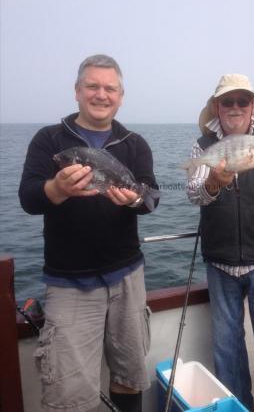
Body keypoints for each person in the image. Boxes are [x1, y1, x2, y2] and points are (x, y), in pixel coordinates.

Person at [19, 54, 159, 412]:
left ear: (121, 95)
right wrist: (58, 189)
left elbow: (151, 198)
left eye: (110, 88)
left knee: (129, 377)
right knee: (70, 395)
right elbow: (29, 198)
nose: (101, 94)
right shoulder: (50, 140)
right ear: (77, 91)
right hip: (69, 284)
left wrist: (133, 200)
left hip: (128, 277)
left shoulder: (134, 143)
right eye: (92, 86)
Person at [186, 74, 254, 412]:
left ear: (252, 107)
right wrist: (214, 183)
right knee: (227, 349)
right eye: (227, 101)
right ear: (217, 107)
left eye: (242, 101)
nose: (235, 107)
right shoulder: (202, 146)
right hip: (220, 262)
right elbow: (194, 195)